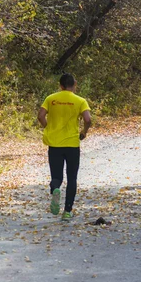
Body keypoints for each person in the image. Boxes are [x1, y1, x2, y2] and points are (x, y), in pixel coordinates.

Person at [38, 72, 91, 220]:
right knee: (72, 177)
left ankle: (55, 189)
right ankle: (67, 211)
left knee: (56, 176)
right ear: (74, 85)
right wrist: (84, 132)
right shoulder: (80, 101)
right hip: (72, 144)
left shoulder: (51, 98)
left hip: (55, 144)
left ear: (60, 86)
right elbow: (87, 119)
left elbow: (40, 116)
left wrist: (48, 128)